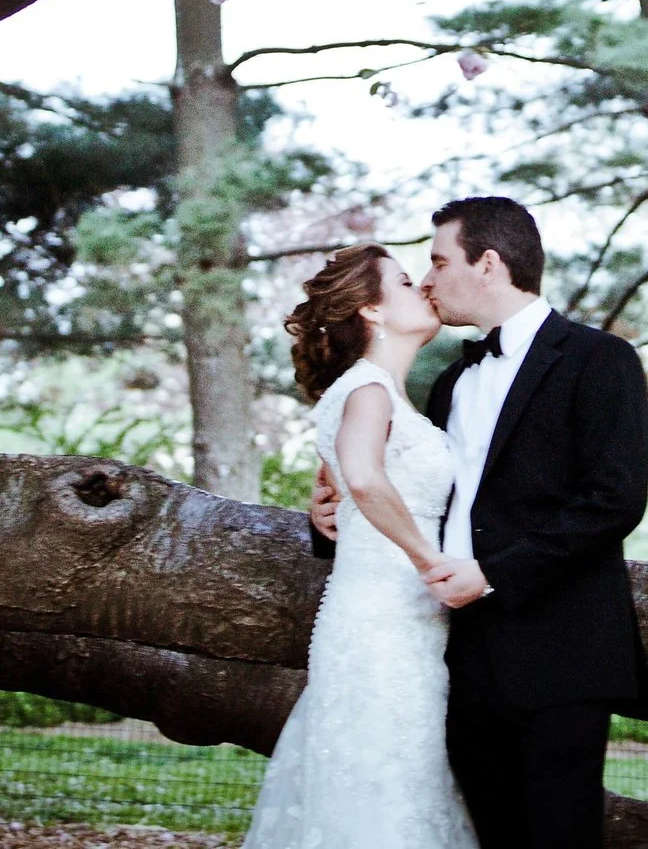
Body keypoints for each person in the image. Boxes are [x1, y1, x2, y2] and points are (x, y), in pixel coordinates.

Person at [310, 196, 648, 849]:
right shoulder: (447, 384)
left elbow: (613, 500)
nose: (430, 279)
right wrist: (327, 521)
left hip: (560, 650)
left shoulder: (599, 360)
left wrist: (494, 572)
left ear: (488, 262)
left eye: (439, 261)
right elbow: (421, 497)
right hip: (458, 656)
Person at [248, 244, 478, 849]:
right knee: (383, 777)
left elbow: (345, 488)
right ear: (372, 310)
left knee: (398, 774)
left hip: (400, 618)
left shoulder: (375, 393)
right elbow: (365, 478)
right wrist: (430, 562)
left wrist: (327, 509)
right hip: (382, 621)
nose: (422, 287)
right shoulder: (369, 390)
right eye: (405, 281)